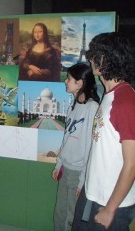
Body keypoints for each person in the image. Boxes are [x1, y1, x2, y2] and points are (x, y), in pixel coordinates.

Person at [72, 32, 135, 230]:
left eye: (95, 54)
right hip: (92, 194)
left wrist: (110, 209)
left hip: (111, 203)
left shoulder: (125, 101)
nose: (90, 58)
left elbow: (132, 163)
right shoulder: (108, 95)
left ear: (107, 58)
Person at [52, 63, 100, 231]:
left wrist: (82, 182)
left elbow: (90, 148)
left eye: (69, 79)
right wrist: (59, 164)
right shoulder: (74, 106)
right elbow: (67, 139)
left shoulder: (92, 108)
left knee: (71, 218)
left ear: (80, 83)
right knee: (60, 213)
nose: (66, 81)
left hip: (78, 172)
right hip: (66, 169)